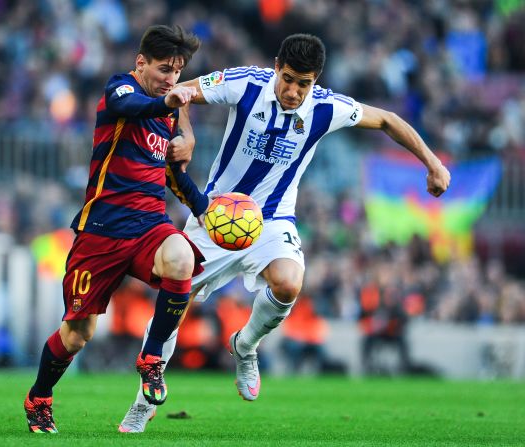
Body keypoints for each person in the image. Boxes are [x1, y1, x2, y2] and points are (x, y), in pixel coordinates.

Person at [119, 33, 451, 432]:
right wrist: (186, 136)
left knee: (290, 282)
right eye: (288, 78)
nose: (293, 91)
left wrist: (432, 163)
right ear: (276, 66)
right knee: (176, 300)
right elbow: (183, 90)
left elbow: (388, 120)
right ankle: (144, 400)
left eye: (303, 83)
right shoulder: (246, 84)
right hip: (216, 215)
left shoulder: (327, 108)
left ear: (317, 80)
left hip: (273, 220)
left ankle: (245, 346)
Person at [24, 24, 208, 434]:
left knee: (180, 257)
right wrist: (168, 105)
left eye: (177, 72)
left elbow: (173, 176)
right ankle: (39, 397)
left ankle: (152, 359)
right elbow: (129, 107)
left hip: (149, 226)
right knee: (77, 334)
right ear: (141, 62)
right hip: (102, 230)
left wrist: (204, 210)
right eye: (163, 69)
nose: (170, 79)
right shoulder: (119, 89)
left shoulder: (169, 110)